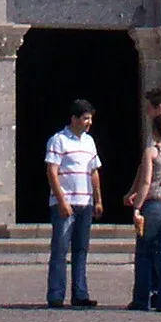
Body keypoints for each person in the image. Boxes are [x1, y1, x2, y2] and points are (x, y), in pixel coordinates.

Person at [125, 111, 161, 313]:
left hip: (156, 206)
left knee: (144, 253)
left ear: (154, 131)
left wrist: (136, 207)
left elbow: (146, 181)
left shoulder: (151, 152)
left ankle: (141, 299)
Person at [44, 98, 101, 308]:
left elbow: (94, 171)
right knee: (60, 249)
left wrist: (98, 200)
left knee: (81, 249)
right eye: (85, 118)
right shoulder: (58, 140)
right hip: (66, 203)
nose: (89, 123)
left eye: (90, 119)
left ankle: (80, 293)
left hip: (85, 202)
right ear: (74, 118)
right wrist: (61, 201)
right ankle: (56, 295)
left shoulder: (89, 141)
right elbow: (52, 171)